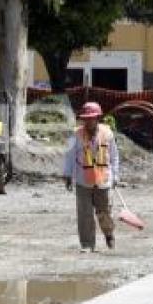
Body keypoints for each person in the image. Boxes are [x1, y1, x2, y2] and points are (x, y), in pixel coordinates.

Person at [63, 101, 119, 252]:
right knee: (85, 215)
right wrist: (67, 175)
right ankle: (87, 245)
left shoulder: (108, 134)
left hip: (103, 181)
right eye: (86, 118)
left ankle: (109, 234)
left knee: (104, 212)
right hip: (83, 181)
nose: (88, 121)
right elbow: (69, 156)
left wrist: (115, 176)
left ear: (97, 118)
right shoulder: (75, 135)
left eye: (92, 118)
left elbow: (114, 157)